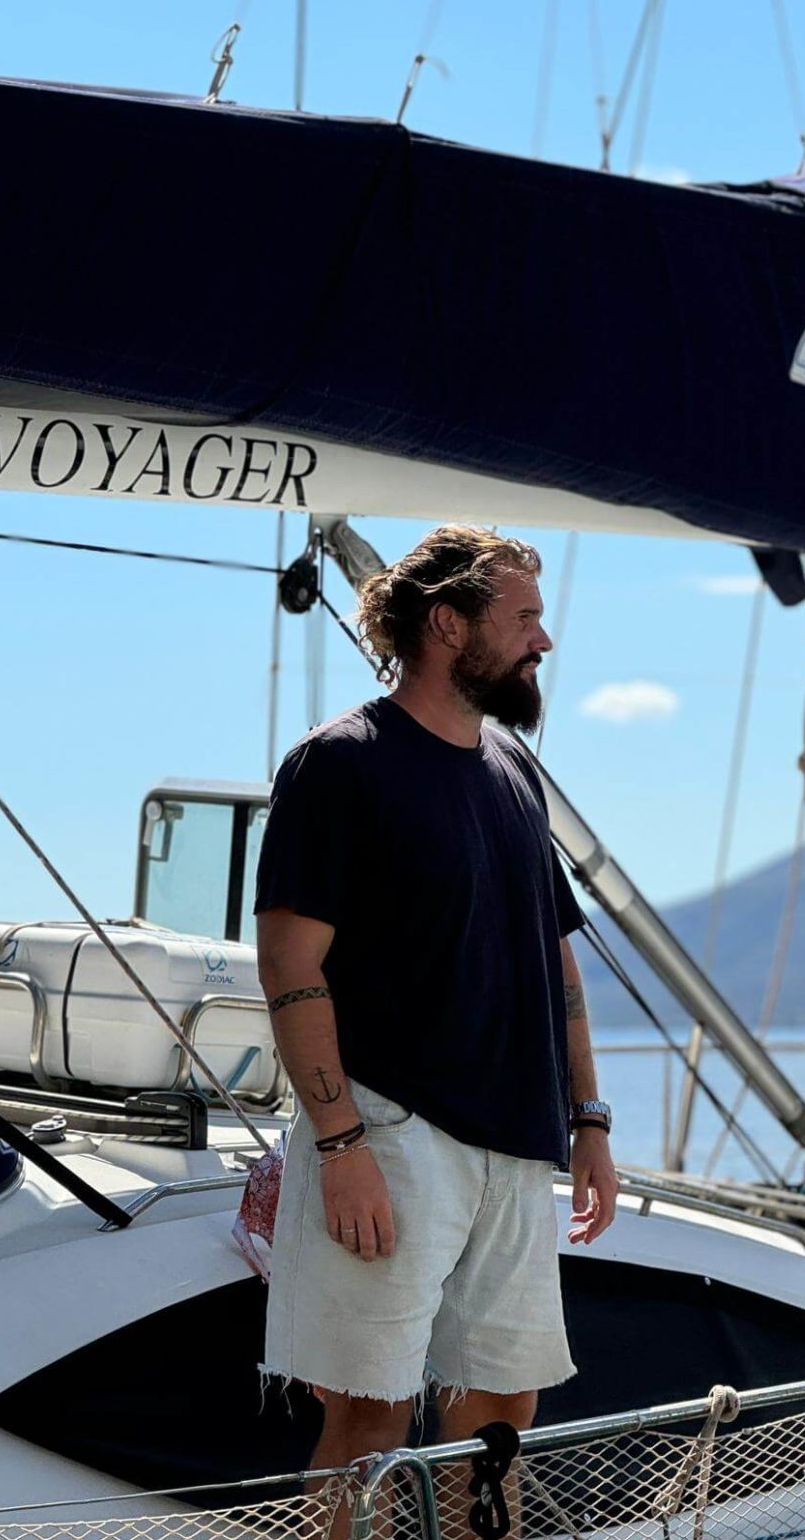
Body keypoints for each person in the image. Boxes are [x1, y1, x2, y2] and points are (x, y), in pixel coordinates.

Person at [255, 524, 617, 1472]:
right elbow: (291, 966)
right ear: (450, 624)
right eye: (526, 618)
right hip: (392, 1134)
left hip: (516, 1146)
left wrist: (589, 1118)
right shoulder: (340, 764)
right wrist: (341, 1146)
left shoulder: (514, 773)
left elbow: (557, 964)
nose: (544, 641)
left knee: (502, 1414)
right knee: (368, 1421)